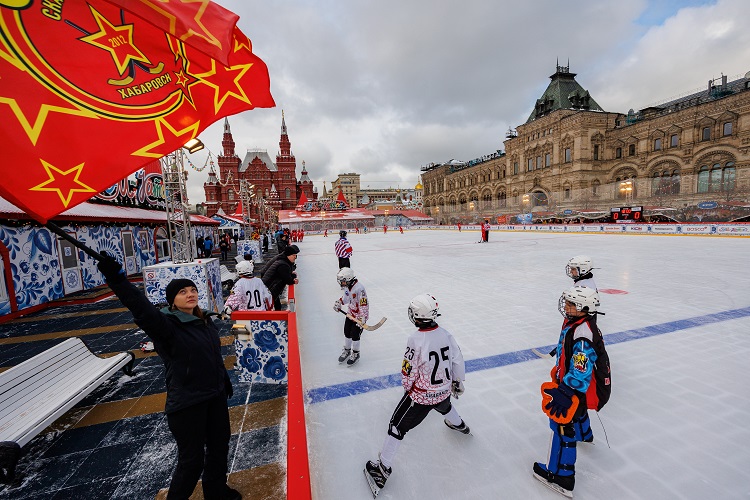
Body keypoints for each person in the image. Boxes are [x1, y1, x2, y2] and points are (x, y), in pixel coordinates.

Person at [96, 254, 240, 500]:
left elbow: (212, 357)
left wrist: (223, 382)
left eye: (193, 289)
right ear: (172, 300)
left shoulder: (204, 320)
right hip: (187, 403)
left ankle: (216, 492)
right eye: (182, 292)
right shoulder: (166, 325)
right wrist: (117, 280)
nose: (190, 294)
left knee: (219, 448)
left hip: (214, 397)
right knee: (191, 462)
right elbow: (139, 306)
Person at [364, 294, 469, 497]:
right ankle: (460, 425)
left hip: (420, 396)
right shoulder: (446, 334)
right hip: (443, 389)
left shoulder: (415, 338)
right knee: (444, 405)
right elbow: (457, 358)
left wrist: (408, 388)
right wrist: (457, 381)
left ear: (417, 316)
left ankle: (382, 469)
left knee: (396, 426)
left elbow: (408, 368)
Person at [533, 285, 601, 498]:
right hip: (576, 389)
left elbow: (581, 370)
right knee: (578, 415)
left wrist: (566, 391)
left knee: (562, 428)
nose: (567, 306)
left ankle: (561, 476)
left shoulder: (582, 335)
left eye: (572, 304)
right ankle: (586, 434)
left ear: (583, 307)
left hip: (573, 390)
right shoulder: (581, 323)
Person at [332, 267, 368, 366]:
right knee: (347, 332)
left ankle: (356, 353)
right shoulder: (348, 287)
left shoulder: (359, 289)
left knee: (355, 335)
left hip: (359, 317)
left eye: (342, 281)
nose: (341, 283)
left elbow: (363, 305)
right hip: (350, 314)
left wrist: (362, 318)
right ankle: (347, 350)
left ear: (348, 279)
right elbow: (346, 298)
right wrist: (340, 302)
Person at [261, 244, 299, 310]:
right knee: (270, 307)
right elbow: (287, 279)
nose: (295, 257)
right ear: (288, 255)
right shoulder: (283, 264)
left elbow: (285, 275)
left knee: (276, 305)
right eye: (294, 255)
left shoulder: (282, 261)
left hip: (269, 288)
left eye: (296, 255)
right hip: (269, 289)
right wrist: (293, 279)